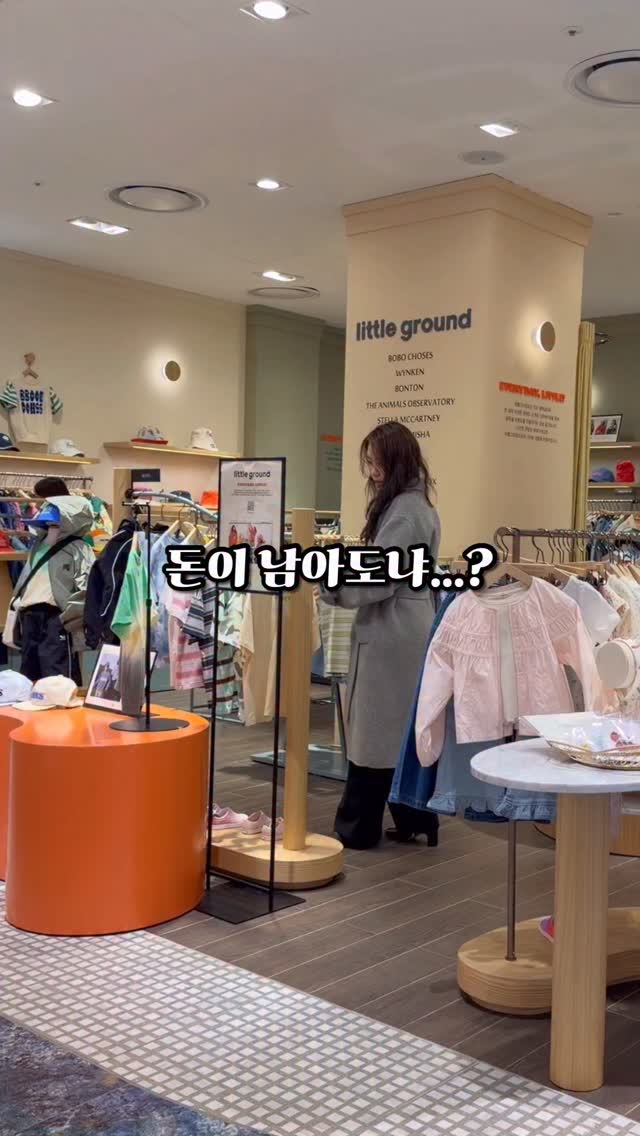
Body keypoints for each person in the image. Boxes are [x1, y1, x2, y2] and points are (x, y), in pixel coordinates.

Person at [319, 421, 441, 849]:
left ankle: (357, 827)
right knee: (397, 732)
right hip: (406, 625)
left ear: (395, 461)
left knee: (374, 735)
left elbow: (381, 577)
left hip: (392, 630)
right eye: (369, 463)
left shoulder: (404, 511)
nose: (372, 472)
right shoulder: (416, 505)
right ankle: (415, 818)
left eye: (377, 463)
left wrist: (332, 586)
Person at [10, 496, 95, 683]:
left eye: (55, 523)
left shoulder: (79, 548)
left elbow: (86, 585)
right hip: (30, 613)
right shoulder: (39, 545)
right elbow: (27, 577)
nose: (51, 526)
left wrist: (69, 618)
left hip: (56, 615)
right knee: (29, 670)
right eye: (49, 523)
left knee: (56, 671)